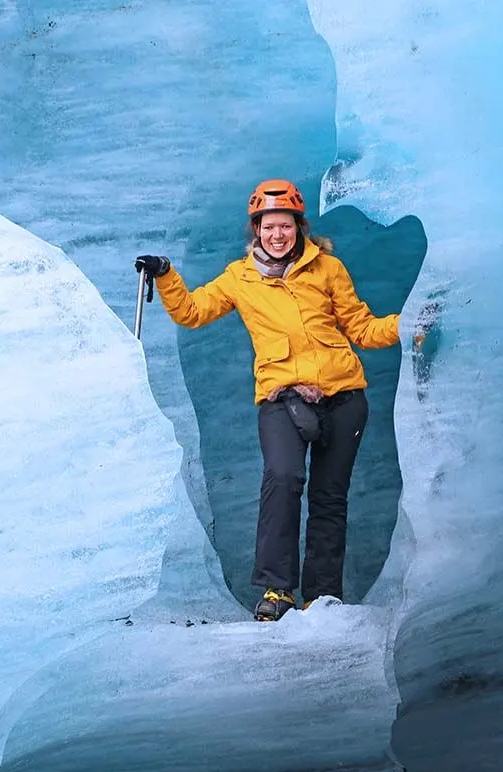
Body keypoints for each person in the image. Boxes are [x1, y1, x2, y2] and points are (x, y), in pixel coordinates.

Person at [135, 179, 402, 621]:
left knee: (329, 497)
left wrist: (405, 323)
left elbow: (362, 329)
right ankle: (276, 591)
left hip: (343, 397)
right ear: (255, 230)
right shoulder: (239, 279)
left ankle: (321, 596)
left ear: (299, 227)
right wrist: (165, 273)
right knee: (282, 479)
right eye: (268, 227)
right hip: (283, 398)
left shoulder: (327, 270)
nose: (277, 235)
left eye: (286, 226)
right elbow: (192, 312)